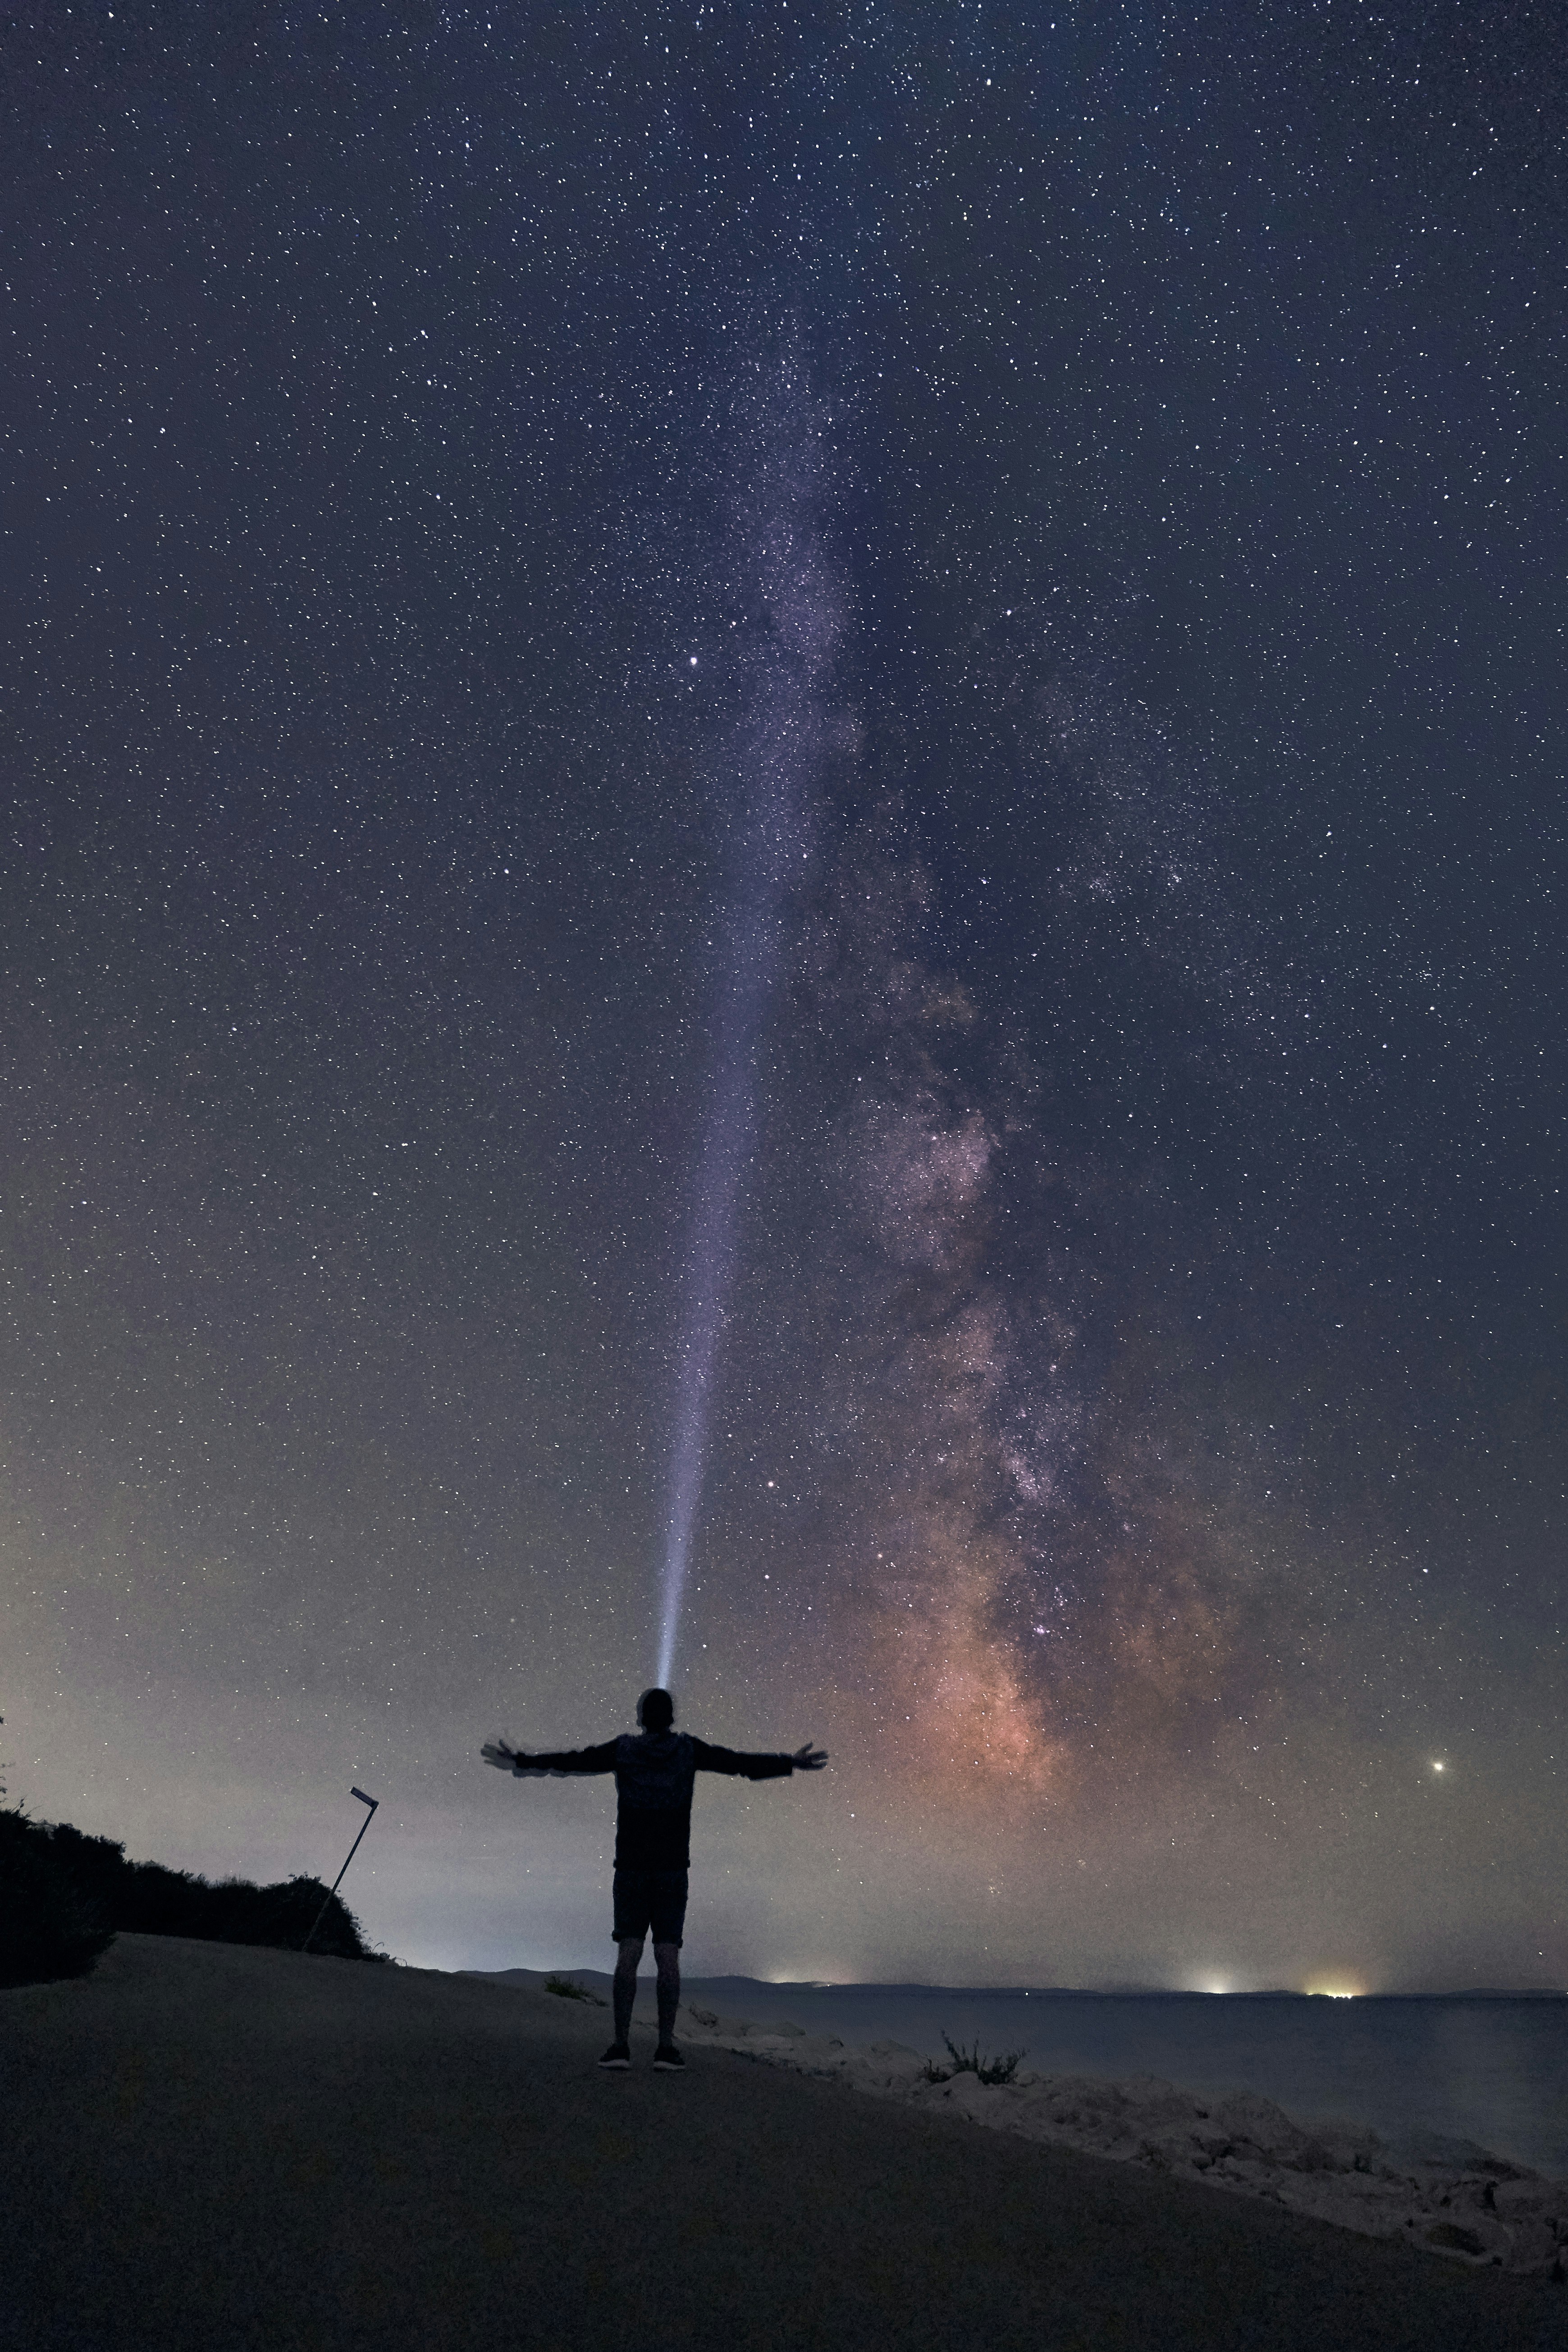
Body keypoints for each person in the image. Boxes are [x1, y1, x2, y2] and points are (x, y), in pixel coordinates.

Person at [482, 1688, 827, 2071]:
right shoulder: (687, 1750)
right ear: (671, 1718)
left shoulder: (624, 1750)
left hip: (631, 1867)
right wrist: (789, 1763)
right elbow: (737, 1763)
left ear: (641, 1717)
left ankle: (620, 2047)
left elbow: (574, 1762)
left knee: (628, 1954)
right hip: (672, 1869)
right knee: (668, 1956)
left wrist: (523, 1761)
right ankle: (665, 2048)